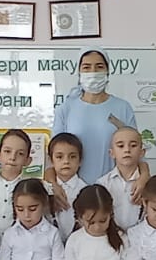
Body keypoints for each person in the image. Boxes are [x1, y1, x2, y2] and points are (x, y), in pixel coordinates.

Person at [52, 50, 140, 184]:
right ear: (79, 72)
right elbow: (54, 154)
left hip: (114, 187)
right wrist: (53, 185)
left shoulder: (123, 107)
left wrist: (144, 176)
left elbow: (136, 151)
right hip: (74, 189)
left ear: (107, 71)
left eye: (99, 67)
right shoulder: (65, 109)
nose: (93, 72)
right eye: (86, 67)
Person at [99, 126, 146, 230]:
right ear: (112, 153)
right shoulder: (103, 184)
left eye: (133, 145)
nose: (127, 150)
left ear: (142, 152)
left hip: (142, 237)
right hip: (112, 235)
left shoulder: (149, 183)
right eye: (121, 146)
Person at [46, 132, 88, 242]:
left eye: (72, 157)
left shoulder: (86, 191)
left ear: (80, 160)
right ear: (51, 160)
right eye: (59, 157)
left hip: (78, 244)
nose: (66, 161)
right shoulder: (45, 189)